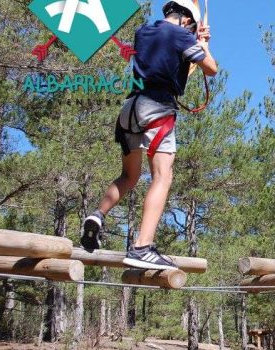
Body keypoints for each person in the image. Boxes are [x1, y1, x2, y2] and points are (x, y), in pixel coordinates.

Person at [80, 0, 217, 270]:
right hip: (157, 109)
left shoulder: (143, 31)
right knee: (162, 176)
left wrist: (195, 41)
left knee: (129, 176)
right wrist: (201, 44)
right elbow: (211, 69)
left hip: (131, 107)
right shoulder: (180, 35)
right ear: (188, 20)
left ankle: (98, 214)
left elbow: (169, 60)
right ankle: (142, 246)